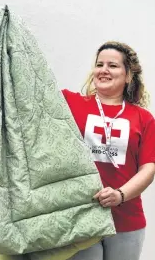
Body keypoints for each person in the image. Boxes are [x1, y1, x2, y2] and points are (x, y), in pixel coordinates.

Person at [62, 41, 155, 260]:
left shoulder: (144, 118)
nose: (103, 70)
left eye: (112, 65)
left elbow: (148, 168)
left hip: (126, 220)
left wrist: (120, 195)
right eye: (99, 64)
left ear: (128, 75)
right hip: (81, 217)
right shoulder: (70, 103)